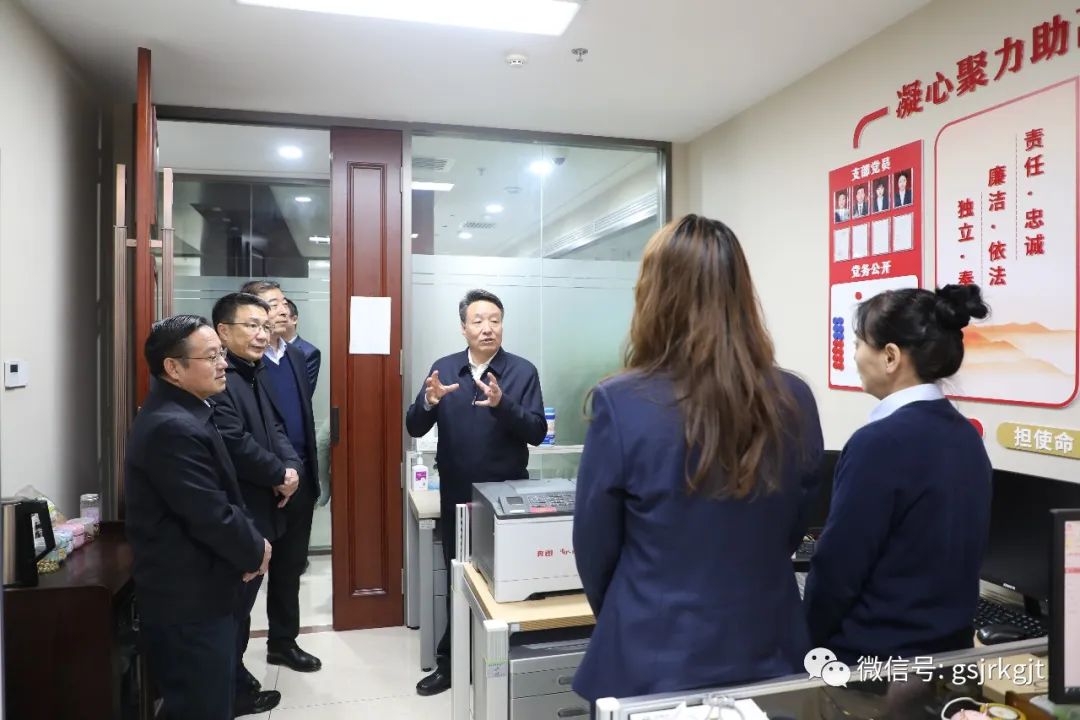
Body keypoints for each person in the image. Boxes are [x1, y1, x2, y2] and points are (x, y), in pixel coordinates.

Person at [571, 215, 825, 704]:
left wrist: (633, 614)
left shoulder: (621, 402)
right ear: (740, 294)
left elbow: (594, 548)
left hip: (653, 658)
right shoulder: (794, 397)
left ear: (654, 295)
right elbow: (796, 525)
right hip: (769, 649)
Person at [803, 285, 992, 664]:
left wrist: (806, 643)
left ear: (890, 357)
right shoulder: (967, 437)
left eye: (859, 343)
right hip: (946, 656)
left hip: (872, 664)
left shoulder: (878, 444)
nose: (854, 355)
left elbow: (838, 570)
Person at [125, 315, 271, 720]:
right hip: (189, 602)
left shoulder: (186, 411)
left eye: (221, 354)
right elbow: (210, 514)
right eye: (211, 357)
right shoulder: (172, 427)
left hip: (200, 592)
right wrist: (255, 550)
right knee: (201, 705)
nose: (223, 364)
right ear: (173, 367)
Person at [406, 288, 547, 696]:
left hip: (505, 499)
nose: (488, 328)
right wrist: (429, 401)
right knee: (459, 577)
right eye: (478, 321)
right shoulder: (444, 368)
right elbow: (414, 425)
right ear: (464, 327)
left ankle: (501, 662)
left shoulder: (522, 371)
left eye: (495, 320)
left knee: (506, 581)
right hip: (457, 495)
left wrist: (503, 404)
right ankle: (452, 661)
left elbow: (537, 431)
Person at [212, 292, 303, 715]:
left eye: (266, 327)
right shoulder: (220, 377)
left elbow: (276, 429)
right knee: (232, 608)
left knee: (243, 607)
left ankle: (235, 678)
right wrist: (278, 475)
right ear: (223, 331)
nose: (262, 334)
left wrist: (290, 469)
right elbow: (235, 442)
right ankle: (229, 690)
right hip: (241, 510)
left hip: (265, 506)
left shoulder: (255, 372)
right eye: (252, 325)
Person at [240, 280, 322, 673]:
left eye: (281, 303)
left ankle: (283, 642)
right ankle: (234, 664)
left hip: (299, 478)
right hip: (260, 484)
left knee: (290, 568)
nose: (280, 310)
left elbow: (298, 420)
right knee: (248, 574)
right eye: (270, 304)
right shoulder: (243, 364)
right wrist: (275, 472)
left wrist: (299, 473)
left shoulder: (295, 356)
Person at [283, 298, 321, 395]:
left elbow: (304, 392)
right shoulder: (265, 347)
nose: (278, 320)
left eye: (283, 316)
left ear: (294, 319)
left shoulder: (309, 352)